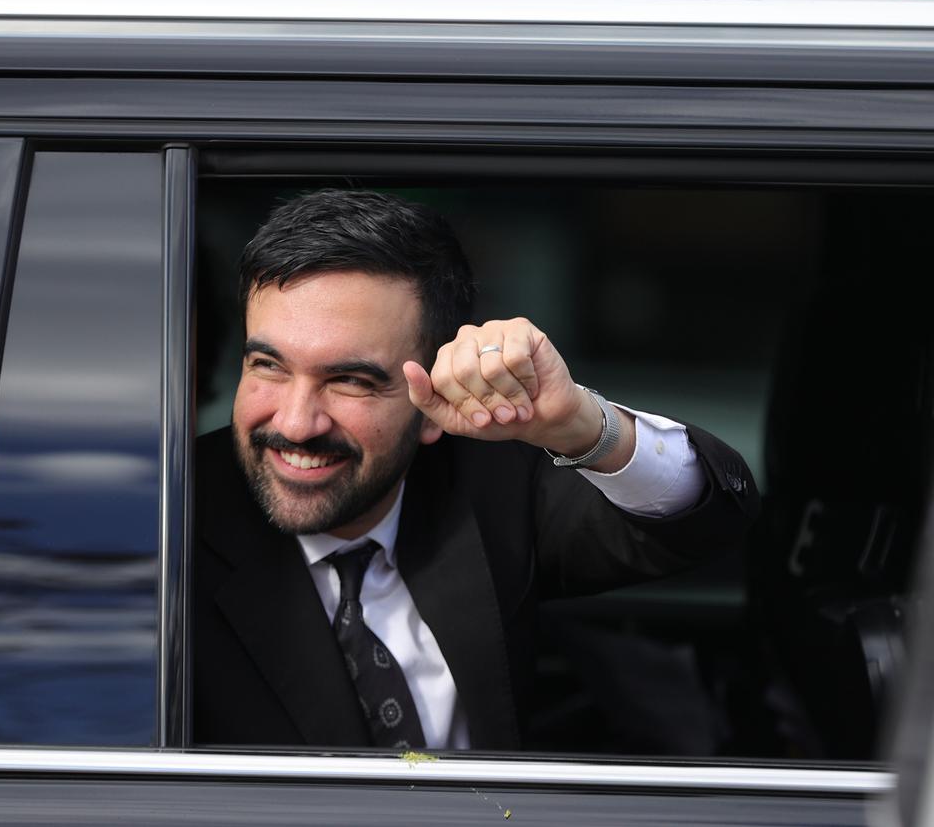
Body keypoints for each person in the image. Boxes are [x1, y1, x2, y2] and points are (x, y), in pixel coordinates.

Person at [193, 189, 759, 751]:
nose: (296, 424)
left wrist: (578, 422)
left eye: (350, 381)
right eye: (268, 366)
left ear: (432, 401)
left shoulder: (489, 485)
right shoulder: (173, 522)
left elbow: (701, 517)